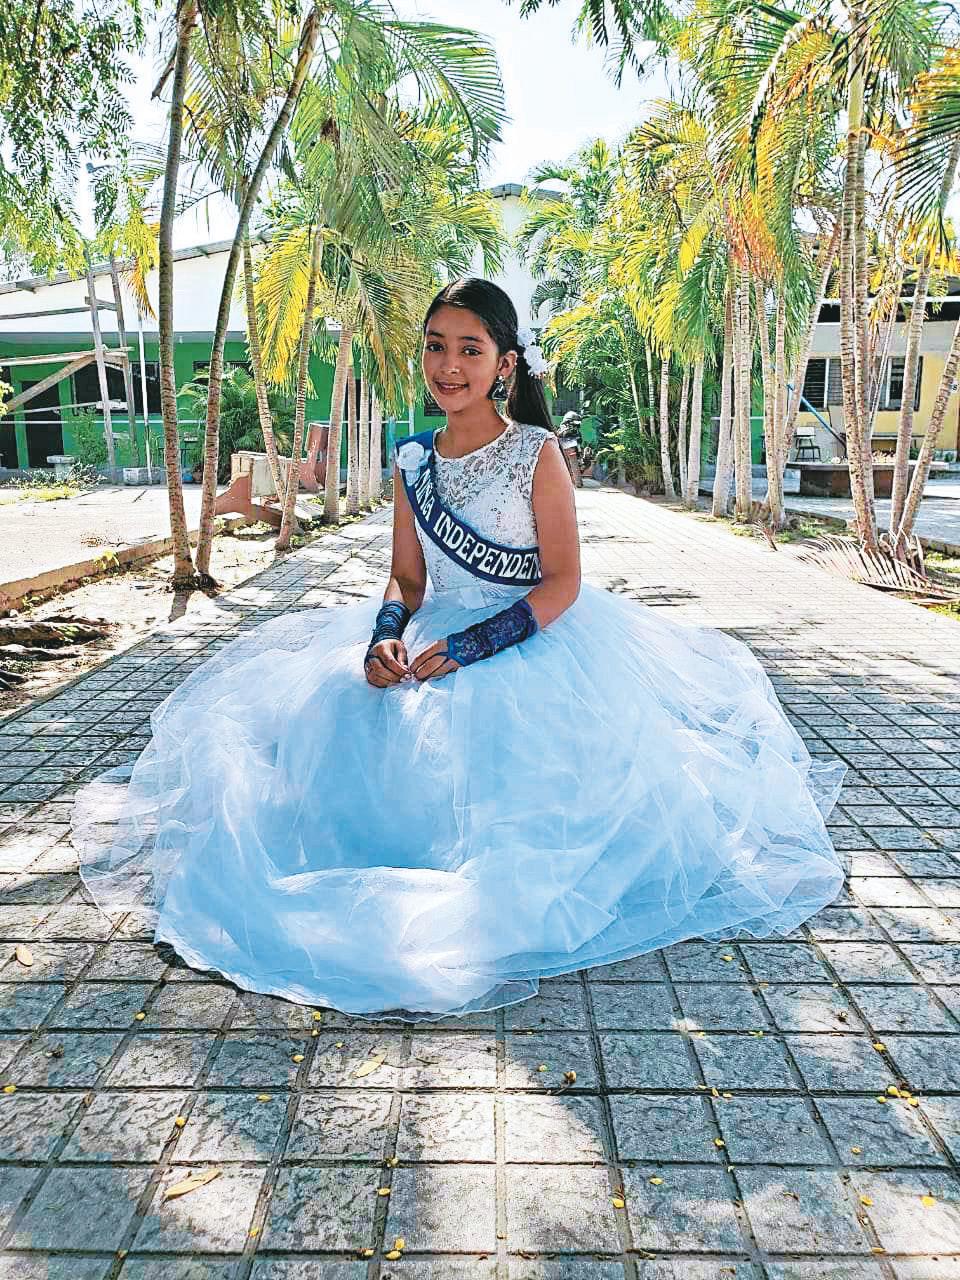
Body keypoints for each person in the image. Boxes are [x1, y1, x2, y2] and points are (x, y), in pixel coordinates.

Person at [71, 277, 847, 1022]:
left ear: (504, 364)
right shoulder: (413, 459)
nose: (449, 365)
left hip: (529, 640)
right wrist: (384, 636)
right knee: (344, 714)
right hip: (431, 634)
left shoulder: (536, 452)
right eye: (436, 346)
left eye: (470, 349)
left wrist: (474, 646)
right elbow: (407, 578)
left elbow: (563, 582)